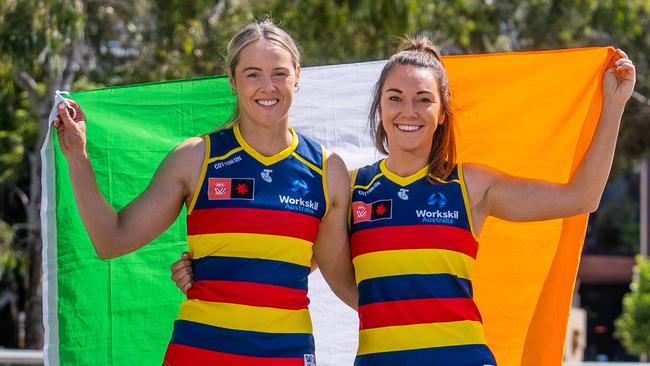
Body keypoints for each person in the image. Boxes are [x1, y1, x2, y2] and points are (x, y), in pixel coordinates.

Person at [172, 36, 635, 365]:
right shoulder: (350, 187)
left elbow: (583, 196)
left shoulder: (471, 186)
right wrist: (205, 267)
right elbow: (289, 254)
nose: (408, 111)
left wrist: (613, 107)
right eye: (395, 98)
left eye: (422, 99)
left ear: (441, 112)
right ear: (380, 109)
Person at [53, 20, 357, 366]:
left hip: (286, 355)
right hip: (200, 353)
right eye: (253, 74)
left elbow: (336, 275)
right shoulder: (196, 158)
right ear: (232, 80)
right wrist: (78, 157)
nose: (268, 87)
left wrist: (427, 321)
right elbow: (111, 240)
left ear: (298, 75)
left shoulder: (326, 170)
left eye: (280, 73)